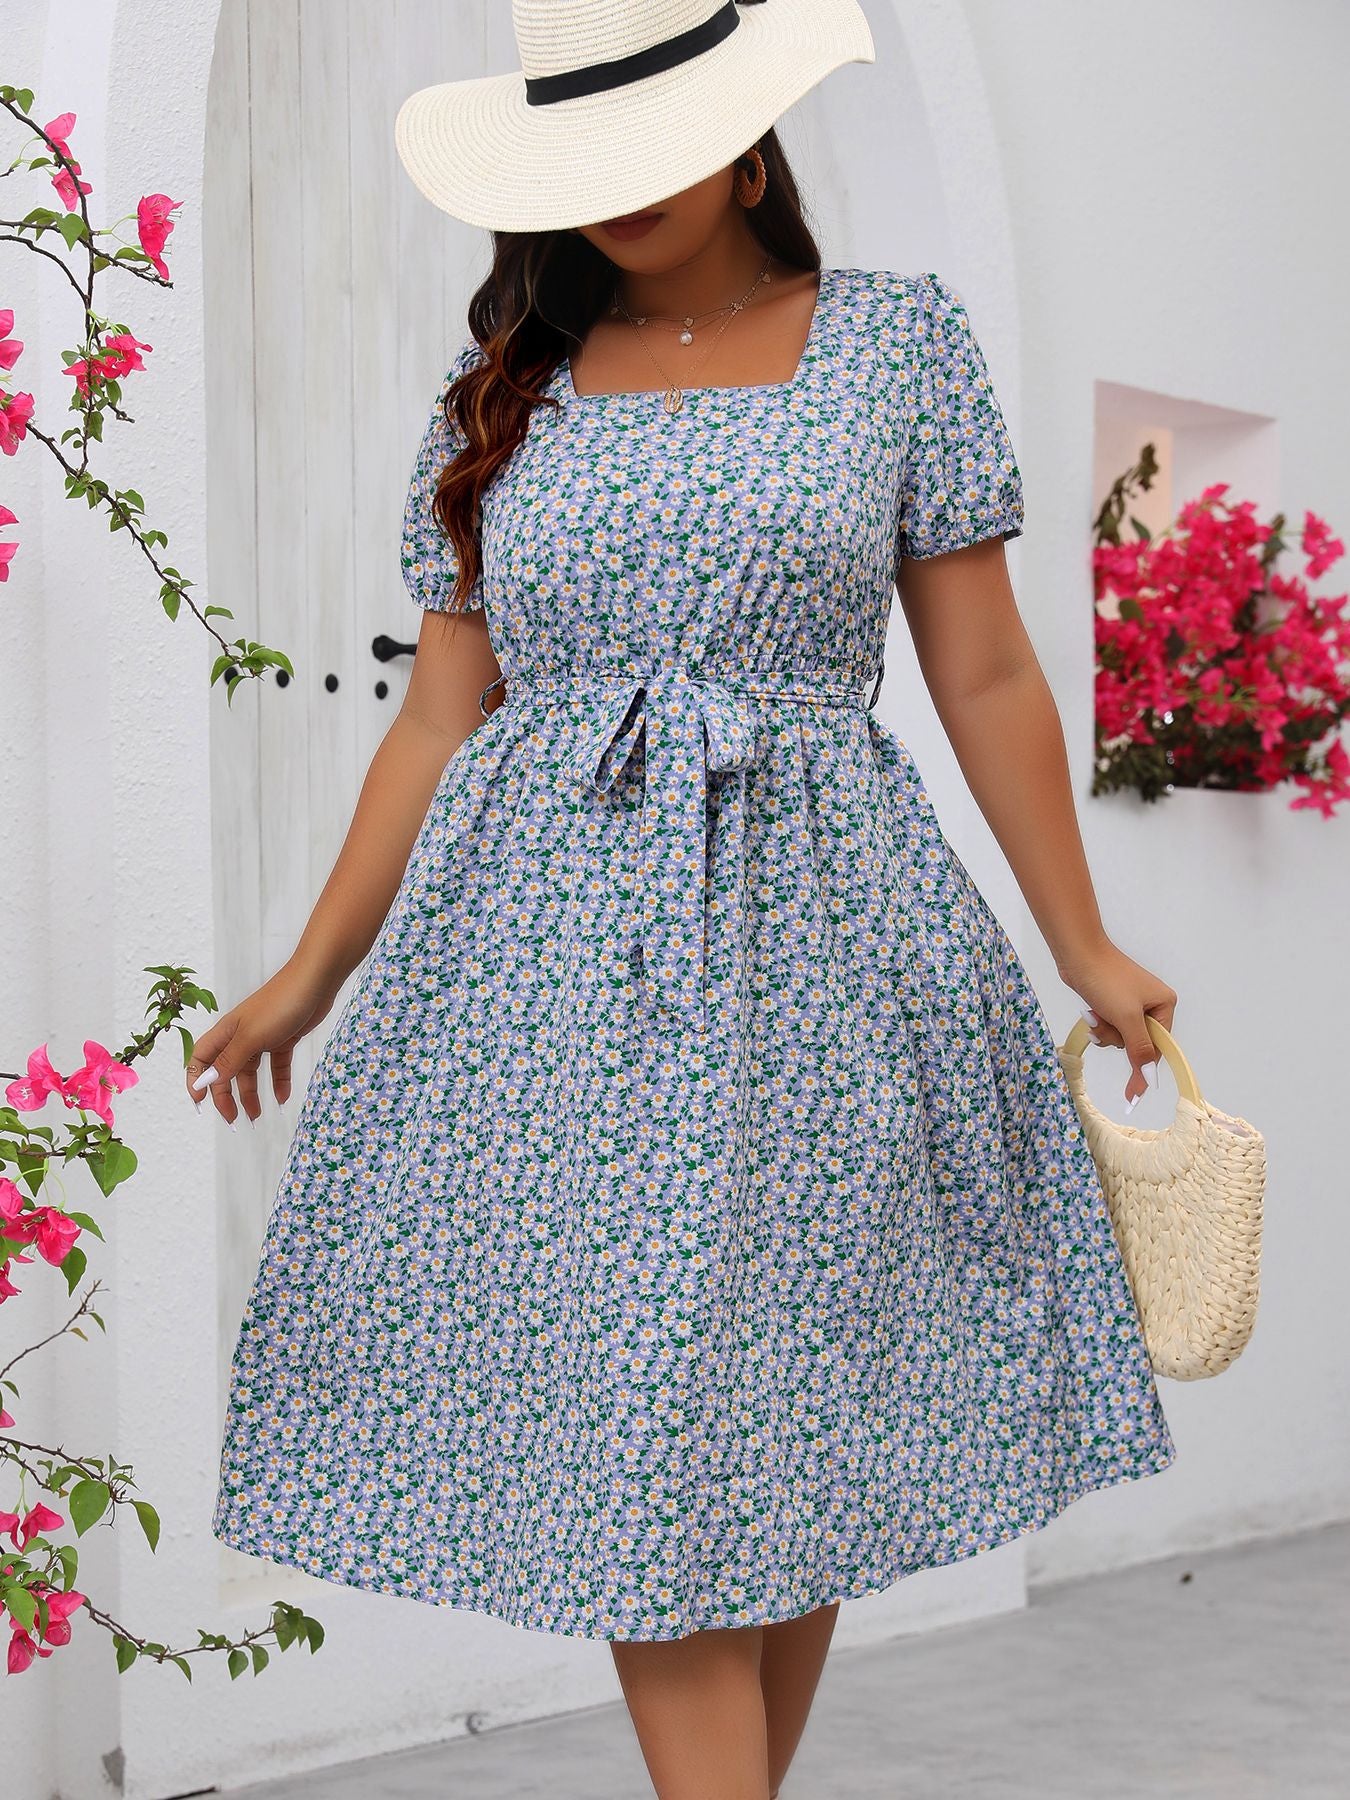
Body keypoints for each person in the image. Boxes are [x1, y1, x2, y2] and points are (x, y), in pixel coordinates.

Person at [190, 5, 1179, 1796]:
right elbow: (436, 720)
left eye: (656, 143)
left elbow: (983, 676)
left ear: (748, 144)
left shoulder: (893, 341)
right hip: (552, 973)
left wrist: (1082, 944)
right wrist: (308, 974)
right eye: (580, 158)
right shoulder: (503, 387)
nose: (621, 190)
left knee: (773, 1432)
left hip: (832, 954)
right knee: (648, 1445)